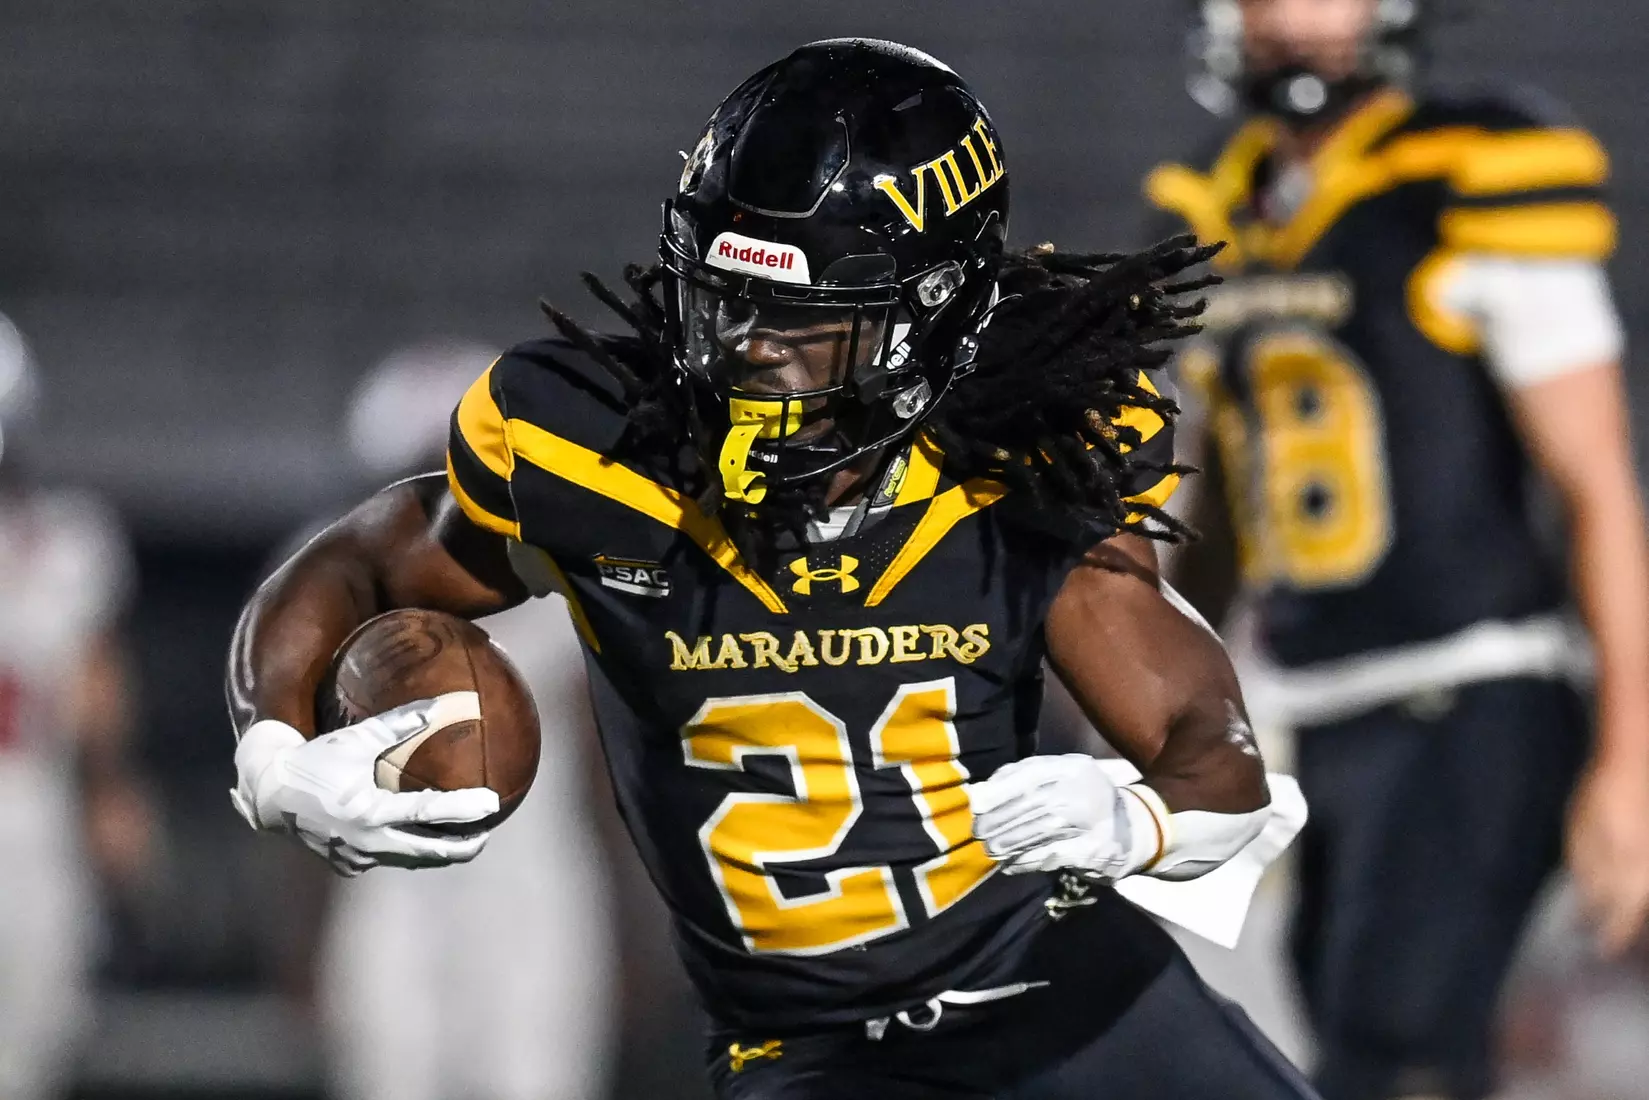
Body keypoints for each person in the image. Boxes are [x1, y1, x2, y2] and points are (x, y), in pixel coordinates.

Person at [227, 39, 1315, 1099]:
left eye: (802, 316)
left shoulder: (1011, 463)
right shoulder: (606, 454)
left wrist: (1138, 820)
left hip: (1071, 995)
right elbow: (359, 563)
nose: (748, 346)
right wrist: (276, 751)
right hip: (811, 1049)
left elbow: (1214, 756)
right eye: (726, 297)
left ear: (928, 312)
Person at [1147, 2, 1649, 1098]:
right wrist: (1157, 697)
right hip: (1310, 708)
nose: (1291, 17)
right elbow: (1222, 522)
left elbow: (1597, 485)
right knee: (1339, 1054)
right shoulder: (1220, 202)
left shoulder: (1467, 175)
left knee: (1395, 1055)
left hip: (1468, 689)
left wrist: (1629, 761)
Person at [315, 343, 618, 1100]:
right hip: (389, 886)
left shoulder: (569, 590)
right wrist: (302, 931)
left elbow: (605, 770)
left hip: (532, 889)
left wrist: (635, 920)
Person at [0, 312, 150, 1099]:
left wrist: (109, 790)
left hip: (31, 808)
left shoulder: (64, 539)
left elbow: (94, 688)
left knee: (29, 1050)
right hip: (29, 821)